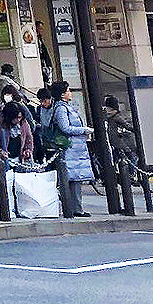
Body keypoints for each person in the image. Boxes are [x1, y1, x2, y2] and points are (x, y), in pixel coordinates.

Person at [43, 81, 94, 217]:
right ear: (62, 94)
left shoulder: (64, 107)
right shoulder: (61, 108)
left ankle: (76, 207)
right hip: (70, 147)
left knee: (75, 179)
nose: (70, 92)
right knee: (72, 178)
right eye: (68, 90)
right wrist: (84, 130)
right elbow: (65, 128)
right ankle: (74, 208)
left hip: (76, 148)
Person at [100, 96, 139, 191]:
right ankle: (130, 175)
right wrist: (137, 130)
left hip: (114, 142)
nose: (107, 110)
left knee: (114, 160)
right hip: (119, 143)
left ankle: (107, 177)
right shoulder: (117, 117)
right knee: (131, 157)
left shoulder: (108, 117)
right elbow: (127, 126)